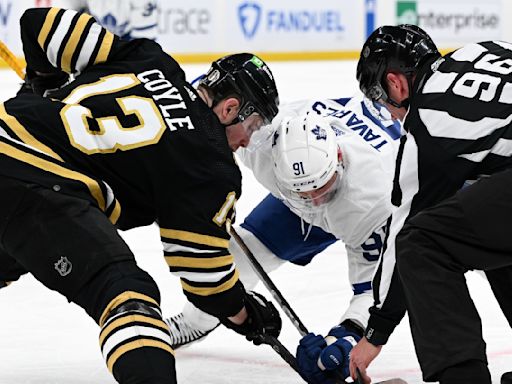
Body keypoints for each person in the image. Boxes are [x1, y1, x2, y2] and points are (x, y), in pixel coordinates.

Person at [2, 6, 281, 383]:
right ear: (230, 107)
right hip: (36, 181)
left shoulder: (149, 59)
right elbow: (204, 277)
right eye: (253, 125)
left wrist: (42, 82)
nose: (248, 139)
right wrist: (244, 313)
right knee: (127, 294)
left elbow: (40, 25)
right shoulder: (211, 166)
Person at [166, 93, 402, 382]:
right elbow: (196, 99)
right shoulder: (260, 140)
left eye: (320, 189)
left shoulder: (371, 201)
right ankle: (194, 322)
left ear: (338, 158)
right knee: (230, 264)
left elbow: (374, 292)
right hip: (299, 202)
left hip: (351, 203)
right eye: (303, 192)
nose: (314, 202)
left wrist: (345, 339)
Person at [350, 24, 512, 384]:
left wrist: (376, 332)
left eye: (381, 100)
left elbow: (403, 232)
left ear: (397, 84)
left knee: (423, 242)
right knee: (482, 228)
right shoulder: (483, 50)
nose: (390, 114)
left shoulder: (427, 124)